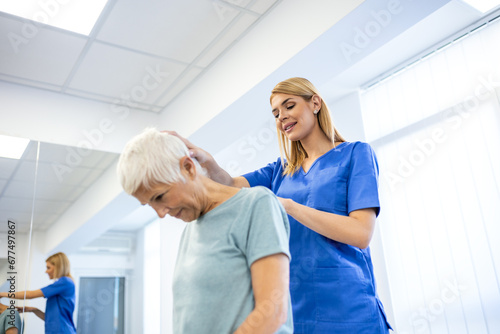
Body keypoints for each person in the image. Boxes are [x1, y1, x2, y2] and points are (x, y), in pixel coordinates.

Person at [169, 77, 392, 333]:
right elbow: (230, 185)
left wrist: (289, 206)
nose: (281, 117)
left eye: (289, 106)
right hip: (296, 306)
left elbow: (361, 233)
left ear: (315, 103)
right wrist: (207, 161)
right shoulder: (281, 170)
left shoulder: (356, 154)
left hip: (348, 305)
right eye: (275, 113)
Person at [117, 128, 293, 334]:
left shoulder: (256, 204)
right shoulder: (191, 228)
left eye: (159, 197)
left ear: (188, 168)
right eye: (149, 204)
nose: (160, 213)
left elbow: (272, 311)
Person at [0, 252, 76, 334]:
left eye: (48, 267)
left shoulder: (65, 282)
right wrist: (33, 310)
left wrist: (2, 294)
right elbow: (51, 320)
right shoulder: (63, 285)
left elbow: (30, 295)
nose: (46, 271)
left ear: (58, 267)